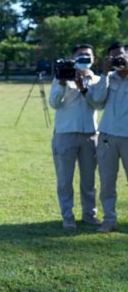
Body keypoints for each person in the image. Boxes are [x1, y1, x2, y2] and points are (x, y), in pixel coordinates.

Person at [49, 44, 101, 229]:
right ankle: (67, 217)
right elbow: (54, 103)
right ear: (73, 58)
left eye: (88, 56)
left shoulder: (97, 80)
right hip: (65, 134)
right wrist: (63, 84)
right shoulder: (61, 76)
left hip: (90, 135)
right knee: (65, 180)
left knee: (89, 180)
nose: (84, 59)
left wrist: (83, 87)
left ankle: (90, 214)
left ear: (94, 59)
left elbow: (99, 104)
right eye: (80, 56)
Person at [86, 41, 128, 233]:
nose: (119, 60)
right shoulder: (108, 78)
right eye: (114, 57)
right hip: (108, 137)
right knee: (107, 181)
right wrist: (104, 73)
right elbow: (97, 101)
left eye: (122, 56)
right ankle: (109, 219)